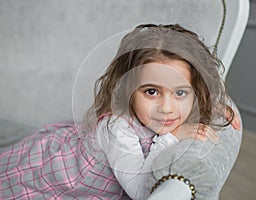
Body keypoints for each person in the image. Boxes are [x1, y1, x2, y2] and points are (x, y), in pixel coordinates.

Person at [0, 24, 240, 200]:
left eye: (180, 93)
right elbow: (140, 190)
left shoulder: (177, 106)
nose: (167, 108)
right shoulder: (117, 128)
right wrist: (173, 136)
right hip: (55, 175)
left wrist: (209, 105)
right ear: (128, 90)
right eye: (151, 92)